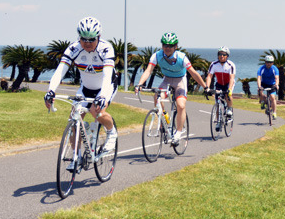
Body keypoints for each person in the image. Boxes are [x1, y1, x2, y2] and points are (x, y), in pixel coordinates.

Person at [44, 17, 119, 163]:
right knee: (73, 118)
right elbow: (60, 71)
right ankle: (76, 156)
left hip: (107, 85)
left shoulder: (106, 48)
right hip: (86, 88)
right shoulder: (74, 48)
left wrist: (102, 96)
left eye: (92, 39)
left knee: (95, 111)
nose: (87, 43)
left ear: (99, 36)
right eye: (84, 39)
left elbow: (107, 75)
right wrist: (50, 91)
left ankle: (111, 132)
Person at [135, 32, 207, 145]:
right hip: (167, 80)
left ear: (175, 46)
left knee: (181, 105)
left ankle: (178, 133)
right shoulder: (157, 55)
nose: (167, 48)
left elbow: (193, 73)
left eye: (170, 46)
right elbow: (148, 70)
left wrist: (205, 87)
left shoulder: (182, 57)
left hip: (180, 81)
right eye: (164, 45)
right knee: (157, 98)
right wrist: (139, 84)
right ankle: (165, 117)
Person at [205, 46, 236, 118]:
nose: (221, 56)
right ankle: (218, 121)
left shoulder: (231, 65)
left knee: (228, 94)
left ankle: (229, 109)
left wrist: (230, 89)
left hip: (228, 83)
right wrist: (207, 87)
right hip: (219, 84)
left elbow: (231, 78)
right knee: (217, 103)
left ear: (227, 56)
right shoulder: (214, 64)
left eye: (224, 54)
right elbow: (209, 76)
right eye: (220, 54)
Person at [257, 54, 279, 119]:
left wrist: (276, 85)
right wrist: (259, 86)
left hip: (272, 84)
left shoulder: (275, 69)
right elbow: (259, 78)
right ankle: (263, 101)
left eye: (270, 62)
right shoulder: (261, 68)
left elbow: (277, 78)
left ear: (273, 63)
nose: (269, 64)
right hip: (263, 83)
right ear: (265, 62)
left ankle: (274, 113)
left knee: (272, 97)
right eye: (267, 62)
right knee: (260, 92)